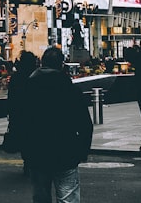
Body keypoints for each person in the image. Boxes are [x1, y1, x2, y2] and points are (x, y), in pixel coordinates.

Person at [10, 46, 93, 203]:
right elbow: (84, 124)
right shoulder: (70, 90)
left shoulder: (28, 89)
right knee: (68, 198)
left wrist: (25, 150)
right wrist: (82, 151)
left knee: (41, 197)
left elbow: (19, 120)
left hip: (37, 153)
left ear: (41, 63)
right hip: (66, 152)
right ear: (62, 65)